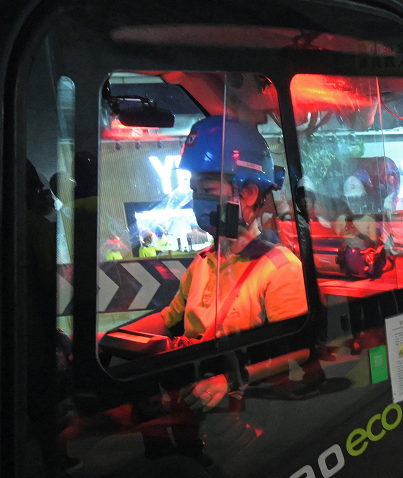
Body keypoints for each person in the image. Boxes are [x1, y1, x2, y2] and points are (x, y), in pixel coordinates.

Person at [123, 115, 308, 410]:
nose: (198, 202)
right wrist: (112, 338)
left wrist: (233, 379)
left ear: (248, 193)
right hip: (198, 395)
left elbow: (299, 350)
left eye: (207, 191)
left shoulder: (280, 270)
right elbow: (170, 319)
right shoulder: (205, 262)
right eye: (195, 191)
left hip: (251, 409)